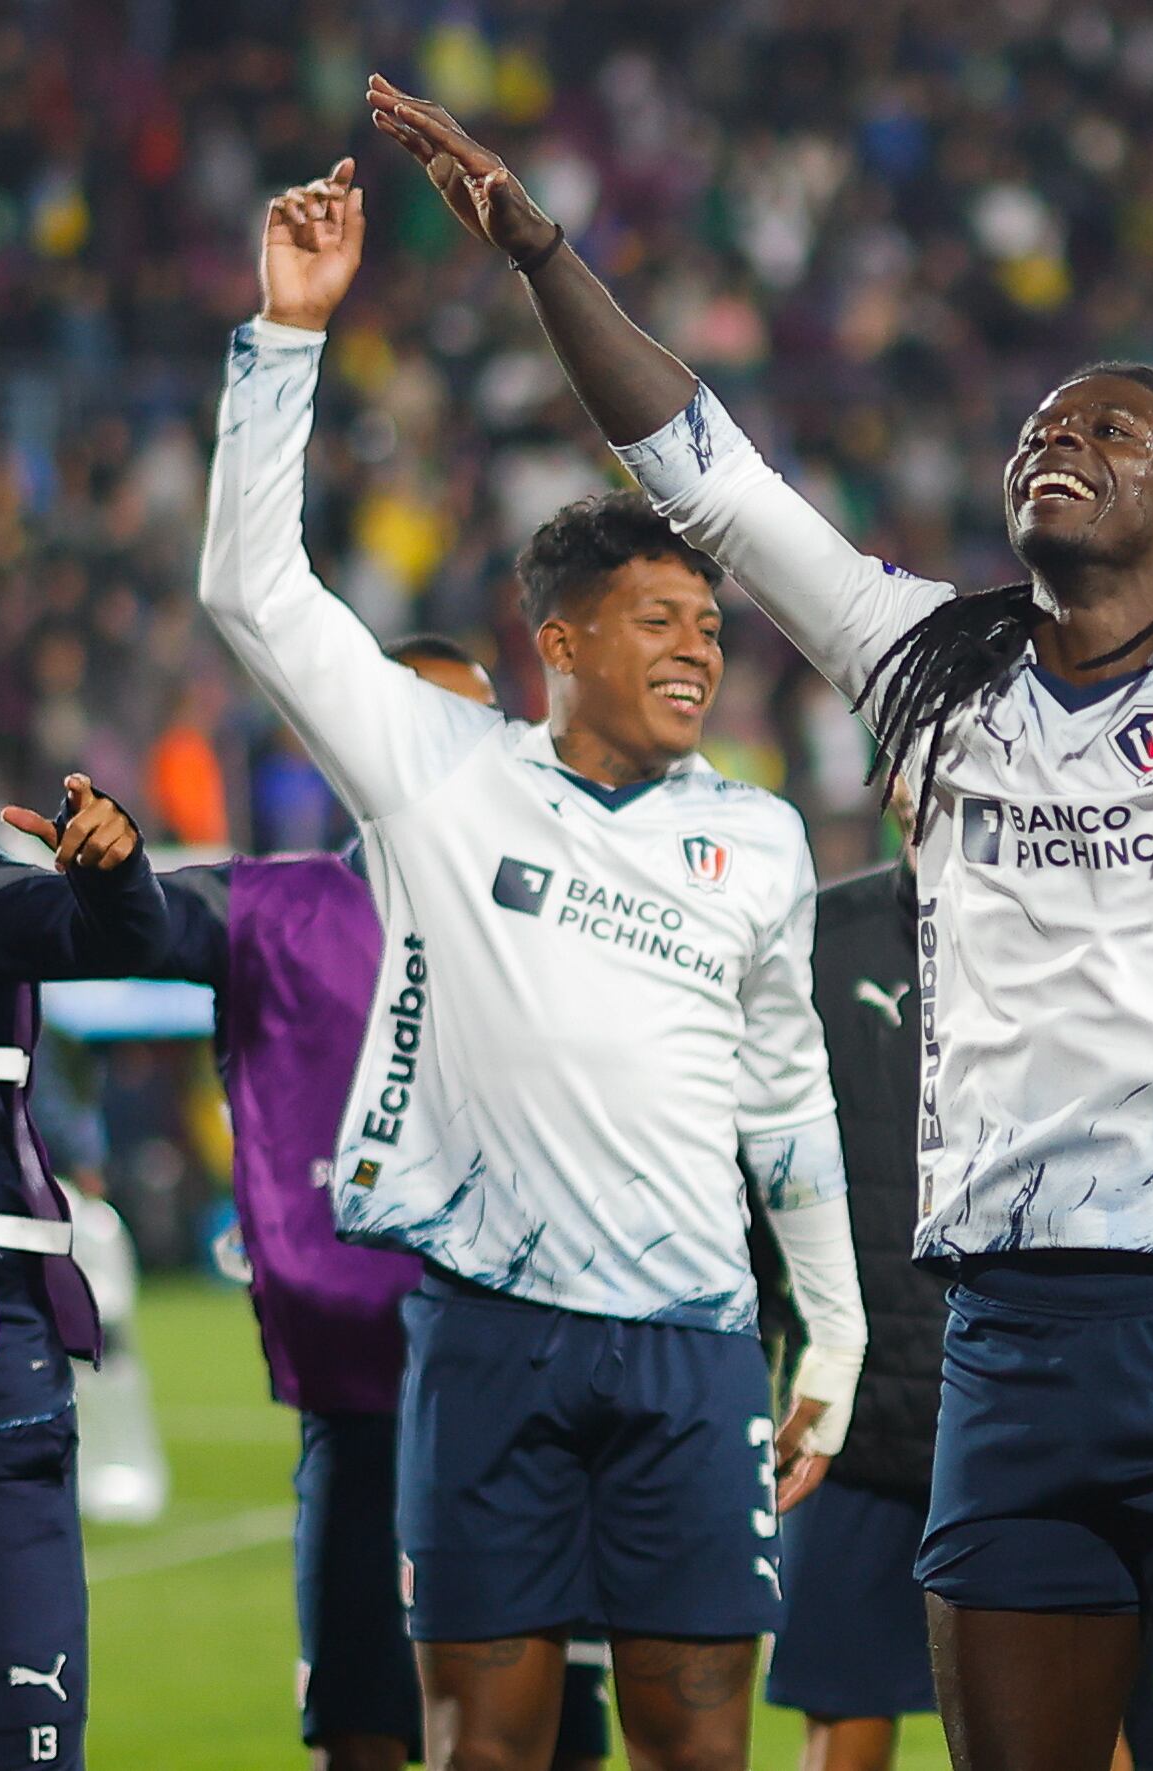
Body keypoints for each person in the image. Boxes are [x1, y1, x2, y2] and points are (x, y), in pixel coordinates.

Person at [367, 42, 1153, 1771]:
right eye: (1041, 428)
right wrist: (543, 255)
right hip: (1011, 1344)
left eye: (1106, 432)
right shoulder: (928, 671)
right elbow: (704, 467)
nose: (1055, 441)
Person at [198, 163, 863, 1771]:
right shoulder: (443, 770)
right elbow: (251, 594)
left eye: (709, 620)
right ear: (560, 643)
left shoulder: (761, 842)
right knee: (483, 1740)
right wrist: (287, 339)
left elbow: (785, 1101)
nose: (700, 645)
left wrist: (829, 1328)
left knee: (697, 1739)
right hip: (489, 1325)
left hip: (697, 1341)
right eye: (658, 619)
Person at [143, 635, 611, 1771]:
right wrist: (111, 875)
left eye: (484, 728)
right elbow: (133, 923)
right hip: (363, 1406)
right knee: (364, 1737)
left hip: (540, 1401)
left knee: (547, 1742)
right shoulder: (277, 909)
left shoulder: (573, 909)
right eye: (427, 722)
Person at [0, 776, 169, 1771]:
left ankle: (127, 1465)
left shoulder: (1, 903)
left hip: (4, 1368)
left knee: (32, 1739)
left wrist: (113, 870)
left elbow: (123, 937)